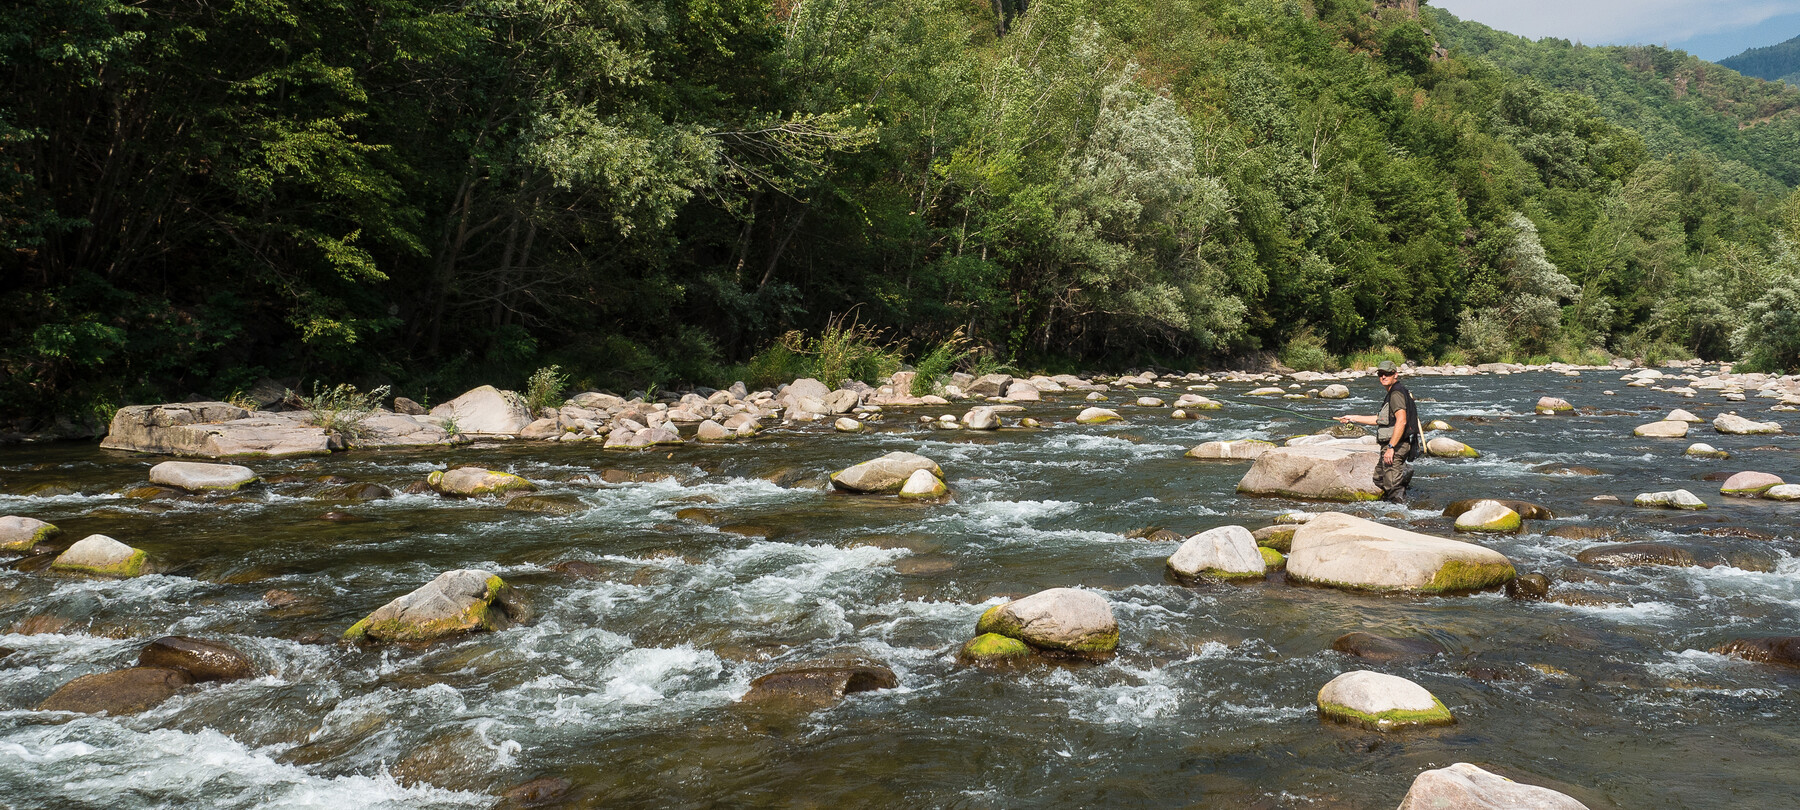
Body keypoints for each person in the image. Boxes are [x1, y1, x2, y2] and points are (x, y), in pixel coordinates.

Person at [1334, 360, 1419, 504]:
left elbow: (1401, 421)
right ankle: (1393, 505)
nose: (1383, 377)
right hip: (1392, 445)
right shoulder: (1393, 392)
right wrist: (1352, 418)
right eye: (1380, 374)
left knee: (1392, 485)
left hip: (1396, 445)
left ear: (1395, 375)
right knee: (1379, 478)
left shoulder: (1396, 394)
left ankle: (1402, 514)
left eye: (1387, 374)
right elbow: (1380, 419)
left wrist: (1391, 448)